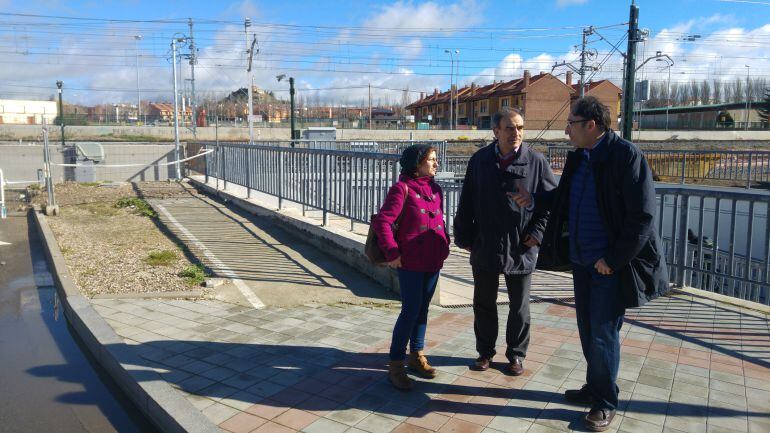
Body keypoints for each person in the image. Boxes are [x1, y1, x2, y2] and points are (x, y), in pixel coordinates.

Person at [513, 96, 670, 432]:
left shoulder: (625, 156)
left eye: (572, 122)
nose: (567, 128)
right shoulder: (580, 157)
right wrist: (535, 199)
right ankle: (594, 387)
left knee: (603, 334)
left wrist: (613, 260)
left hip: (608, 266)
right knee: (588, 329)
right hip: (583, 262)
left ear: (592, 125)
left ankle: (604, 401)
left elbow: (642, 217)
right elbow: (565, 197)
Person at [453, 107, 557, 376]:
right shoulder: (479, 160)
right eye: (510, 128)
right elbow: (467, 201)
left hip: (521, 245)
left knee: (519, 306)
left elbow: (550, 204)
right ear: (496, 131)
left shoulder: (536, 162)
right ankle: (485, 352)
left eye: (521, 128)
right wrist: (464, 237)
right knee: (483, 303)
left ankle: (516, 355)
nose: (517, 133)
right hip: (485, 244)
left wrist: (537, 235)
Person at [372, 144, 450, 391]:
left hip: (433, 260)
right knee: (410, 311)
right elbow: (383, 222)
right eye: (431, 160)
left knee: (423, 309)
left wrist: (445, 242)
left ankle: (416, 355)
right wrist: (392, 252)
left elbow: (439, 219)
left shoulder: (436, 189)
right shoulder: (401, 189)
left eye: (436, 160)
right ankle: (395, 364)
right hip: (410, 263)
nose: (436, 164)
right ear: (417, 164)